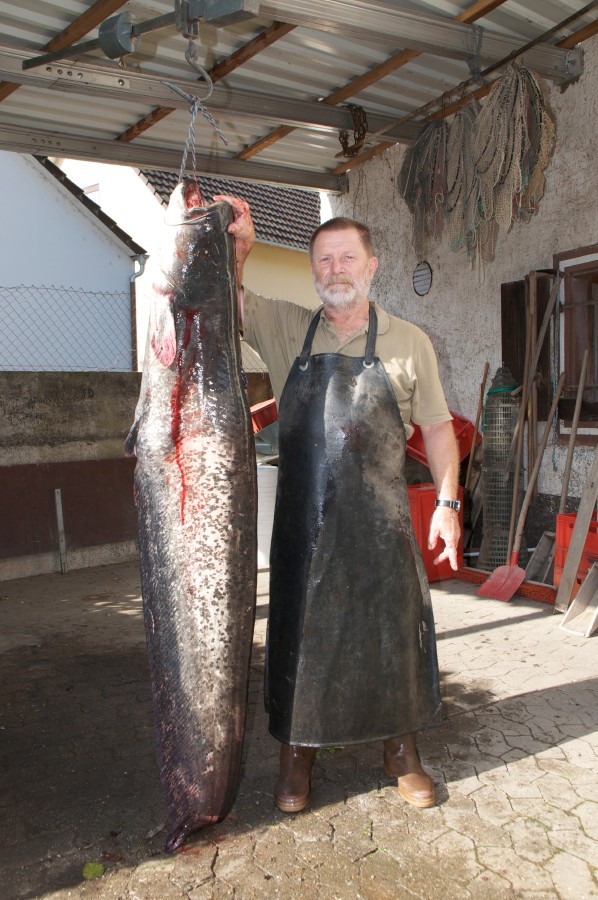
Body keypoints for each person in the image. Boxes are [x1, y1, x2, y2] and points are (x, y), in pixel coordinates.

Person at [214, 193, 461, 813]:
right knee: (301, 639)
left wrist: (448, 505)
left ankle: (400, 752)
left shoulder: (410, 342)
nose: (335, 270)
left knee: (392, 637)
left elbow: (436, 428)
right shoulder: (286, 328)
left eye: (347, 257)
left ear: (371, 266)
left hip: (382, 529)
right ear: (312, 271)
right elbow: (229, 301)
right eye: (323, 260)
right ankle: (296, 753)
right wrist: (239, 249)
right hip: (303, 533)